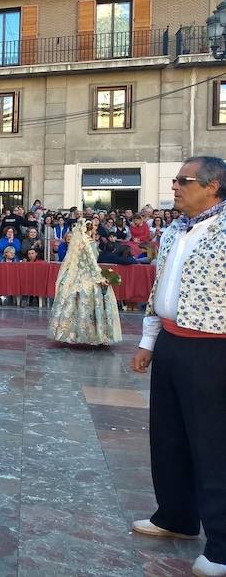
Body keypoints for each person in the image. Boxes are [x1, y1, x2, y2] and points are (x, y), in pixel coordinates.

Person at [128, 157, 226, 577]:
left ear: (213, 186)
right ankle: (177, 517)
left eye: (184, 181)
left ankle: (222, 545)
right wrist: (148, 341)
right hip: (170, 341)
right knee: (168, 437)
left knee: (212, 444)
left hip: (212, 349)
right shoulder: (173, 230)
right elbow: (158, 289)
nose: (175, 187)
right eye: (175, 180)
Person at [48, 220, 122, 345]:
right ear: (89, 228)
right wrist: (103, 278)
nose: (95, 229)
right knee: (90, 306)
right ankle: (92, 336)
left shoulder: (78, 243)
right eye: (94, 226)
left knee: (73, 306)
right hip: (89, 279)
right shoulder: (89, 243)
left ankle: (70, 334)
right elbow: (92, 264)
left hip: (76, 278)